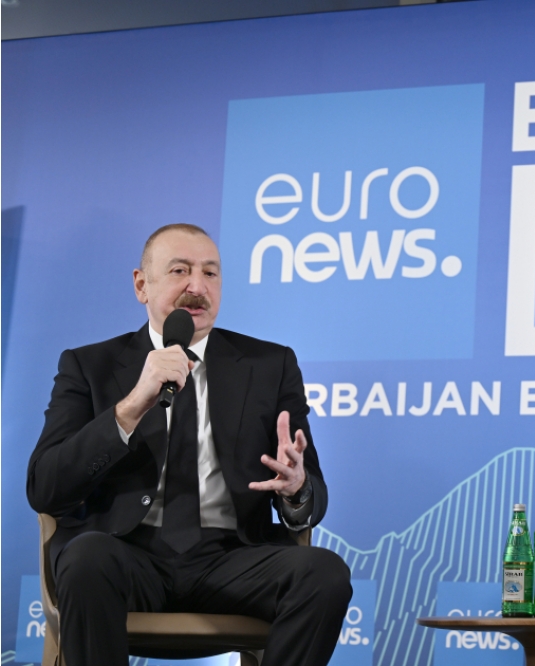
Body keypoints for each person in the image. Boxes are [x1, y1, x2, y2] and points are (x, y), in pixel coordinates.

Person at [27, 223, 353, 666]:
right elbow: (45, 488)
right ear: (142, 285)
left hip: (232, 561)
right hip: (126, 556)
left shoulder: (270, 364)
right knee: (87, 558)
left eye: (210, 273)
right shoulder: (89, 365)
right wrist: (129, 408)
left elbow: (313, 498)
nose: (198, 287)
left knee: (324, 573)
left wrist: (297, 489)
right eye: (180, 270)